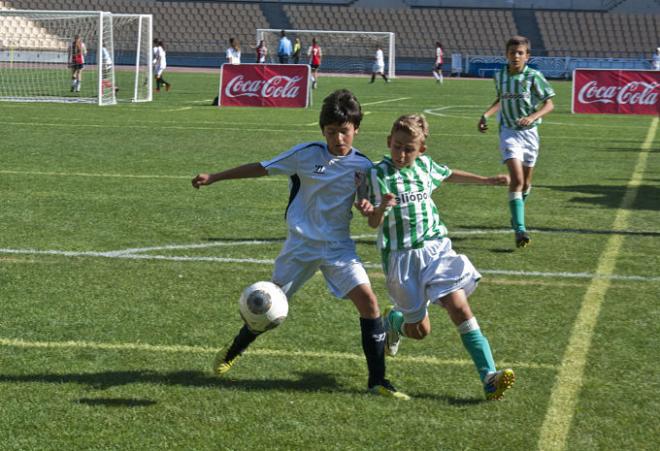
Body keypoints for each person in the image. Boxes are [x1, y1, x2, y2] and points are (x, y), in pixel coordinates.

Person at [191, 89, 409, 400]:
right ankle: (232, 351)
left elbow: (372, 218)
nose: (338, 138)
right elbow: (261, 167)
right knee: (264, 309)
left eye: (344, 131)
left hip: (338, 248)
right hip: (300, 247)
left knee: (370, 304)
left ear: (356, 130)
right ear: (323, 131)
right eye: (331, 132)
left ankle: (377, 381)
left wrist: (371, 210)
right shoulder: (305, 154)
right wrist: (215, 176)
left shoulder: (364, 168)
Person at [355, 113, 515, 401]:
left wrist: (486, 180)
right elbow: (372, 223)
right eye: (398, 146)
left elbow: (449, 173)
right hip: (401, 259)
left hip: (436, 250)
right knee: (419, 331)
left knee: (459, 306)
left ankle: (488, 377)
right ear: (389, 141)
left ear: (421, 150)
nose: (402, 154)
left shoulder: (426, 167)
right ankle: (395, 324)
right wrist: (377, 209)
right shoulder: (376, 174)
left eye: (409, 149)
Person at [478, 35, 554, 248]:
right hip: (509, 132)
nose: (516, 56)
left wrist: (532, 117)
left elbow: (549, 105)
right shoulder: (500, 75)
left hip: (530, 134)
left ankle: (516, 213)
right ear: (506, 55)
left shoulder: (533, 76)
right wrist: (486, 115)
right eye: (512, 53)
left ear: (527, 56)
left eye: (520, 53)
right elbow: (501, 99)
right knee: (517, 180)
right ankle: (520, 229)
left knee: (527, 183)